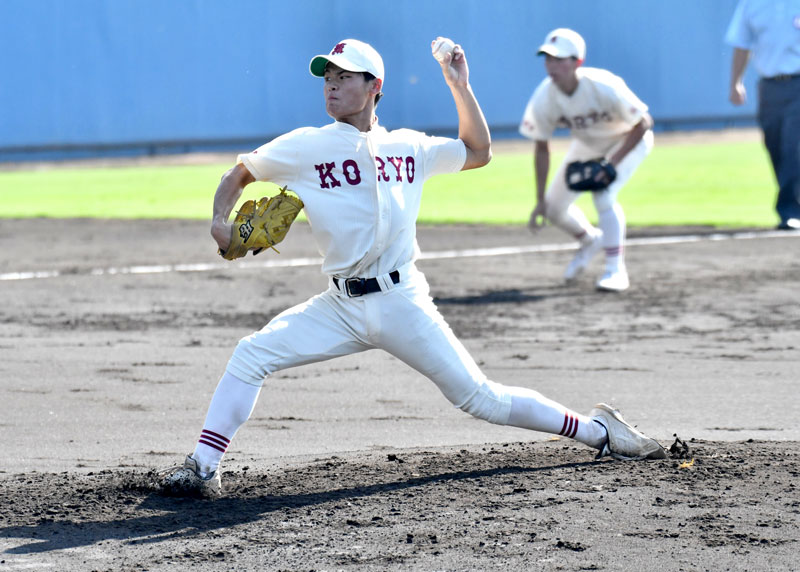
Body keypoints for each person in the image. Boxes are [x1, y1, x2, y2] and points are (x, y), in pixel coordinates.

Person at [163, 38, 665, 498]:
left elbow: (478, 152)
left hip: (403, 302)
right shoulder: (305, 146)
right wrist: (219, 220)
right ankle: (204, 467)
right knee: (251, 354)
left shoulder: (410, 145)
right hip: (339, 305)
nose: (332, 84)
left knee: (482, 399)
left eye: (345, 76)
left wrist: (459, 87)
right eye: (327, 77)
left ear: (374, 87)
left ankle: (601, 431)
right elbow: (241, 172)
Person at [519, 28, 654, 292]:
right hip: (588, 145)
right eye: (548, 59)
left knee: (603, 195)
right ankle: (590, 240)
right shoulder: (544, 96)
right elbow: (542, 147)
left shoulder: (603, 84)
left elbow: (644, 123)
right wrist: (539, 201)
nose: (551, 66)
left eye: (559, 59)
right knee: (554, 208)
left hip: (627, 141)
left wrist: (611, 164)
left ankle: (616, 270)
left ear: (577, 62)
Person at [726, 0, 800, 231]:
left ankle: (789, 210)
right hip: (769, 87)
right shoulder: (752, 4)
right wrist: (736, 82)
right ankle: (792, 204)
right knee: (775, 146)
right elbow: (741, 44)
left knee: (793, 146)